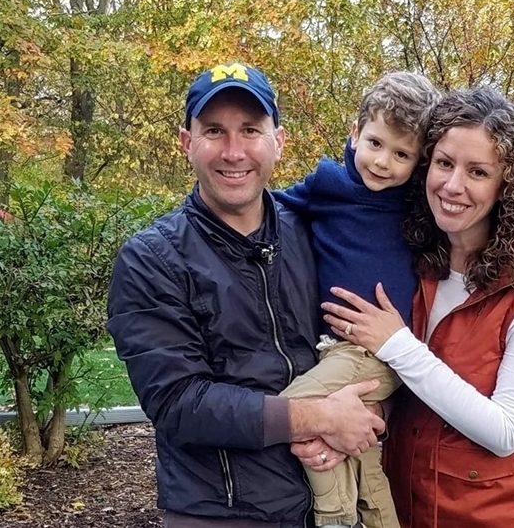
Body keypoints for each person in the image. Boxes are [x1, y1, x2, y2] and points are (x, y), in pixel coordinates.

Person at [106, 61, 385, 528]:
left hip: (328, 497)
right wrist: (318, 418)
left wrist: (370, 410)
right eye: (214, 130)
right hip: (221, 512)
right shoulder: (151, 259)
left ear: (278, 141)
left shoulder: (313, 232)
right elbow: (179, 403)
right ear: (186, 142)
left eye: (251, 130)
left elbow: (365, 340)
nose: (234, 151)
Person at [320, 87, 514, 528]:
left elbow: (506, 432)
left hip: (495, 513)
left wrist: (398, 345)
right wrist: (349, 417)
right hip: (408, 501)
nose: (453, 185)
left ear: (507, 187)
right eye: (444, 163)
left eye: (478, 172)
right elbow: (409, 391)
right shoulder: (418, 259)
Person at [273, 72, 441, 528]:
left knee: (296, 409)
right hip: (338, 347)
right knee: (362, 449)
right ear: (355, 133)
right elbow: (272, 204)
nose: (384, 162)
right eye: (375, 143)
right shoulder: (326, 185)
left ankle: (334, 517)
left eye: (402, 154)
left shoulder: (417, 202)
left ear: (419, 161)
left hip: (383, 350)